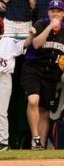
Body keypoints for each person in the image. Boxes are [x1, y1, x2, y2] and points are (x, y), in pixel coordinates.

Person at [21, 0, 64, 150]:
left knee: (45, 110)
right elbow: (36, 44)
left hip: (51, 73)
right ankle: (35, 138)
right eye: (52, 11)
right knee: (33, 101)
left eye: (58, 11)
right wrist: (50, 26)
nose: (55, 14)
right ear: (48, 12)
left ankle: (41, 146)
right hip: (33, 69)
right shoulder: (41, 24)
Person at [0, 21, 33, 151]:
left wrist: (31, 35)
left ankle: (2, 142)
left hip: (3, 78)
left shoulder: (8, 42)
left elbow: (24, 44)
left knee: (1, 111)